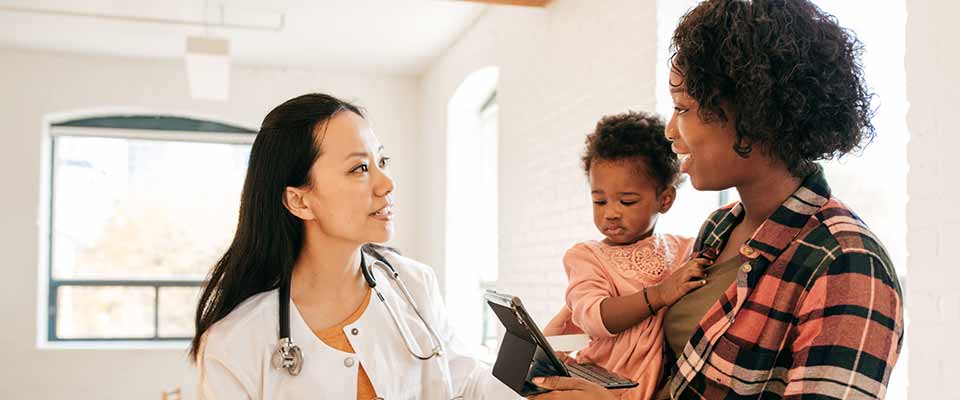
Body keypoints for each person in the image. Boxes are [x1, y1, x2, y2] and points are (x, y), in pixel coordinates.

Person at [532, 1, 904, 398]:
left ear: (750, 114)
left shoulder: (847, 263)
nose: (671, 133)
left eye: (682, 108)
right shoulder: (718, 228)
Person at [191, 93, 516, 399]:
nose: (386, 183)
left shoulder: (414, 285)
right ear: (300, 200)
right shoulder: (234, 342)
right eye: (359, 168)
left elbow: (466, 386)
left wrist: (530, 370)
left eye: (382, 161)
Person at [540, 111, 705, 400]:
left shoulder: (683, 249)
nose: (611, 212)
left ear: (665, 200)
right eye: (599, 200)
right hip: (599, 384)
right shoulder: (587, 257)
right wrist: (660, 294)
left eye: (627, 201)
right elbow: (594, 318)